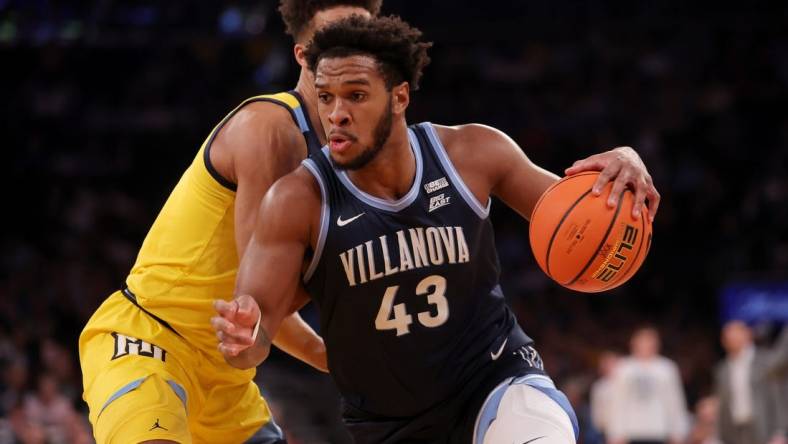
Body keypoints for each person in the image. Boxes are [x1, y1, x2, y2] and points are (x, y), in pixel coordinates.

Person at [212, 15, 660, 443]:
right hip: (387, 423)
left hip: (496, 380)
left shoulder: (472, 154)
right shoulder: (297, 200)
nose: (337, 114)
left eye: (356, 95)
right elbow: (255, 336)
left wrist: (627, 163)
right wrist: (242, 342)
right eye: (326, 97)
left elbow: (578, 215)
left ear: (400, 97)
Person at [78, 1, 382, 443]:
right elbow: (255, 296)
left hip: (225, 374)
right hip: (151, 339)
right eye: (339, 39)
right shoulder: (270, 128)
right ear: (303, 56)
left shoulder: (354, 156)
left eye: (365, 38)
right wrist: (341, 359)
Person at [607, 327, 688, 444]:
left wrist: (678, 432)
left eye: (649, 341)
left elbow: (675, 401)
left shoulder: (667, 368)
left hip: (660, 431)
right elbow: (617, 401)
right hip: (630, 432)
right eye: (642, 341)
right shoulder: (624, 368)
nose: (646, 345)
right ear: (633, 343)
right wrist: (615, 432)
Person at [715, 320, 786, 444]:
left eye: (735, 335)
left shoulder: (765, 362)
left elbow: (777, 397)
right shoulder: (722, 370)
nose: (732, 340)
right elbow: (722, 406)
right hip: (735, 430)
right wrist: (720, 436)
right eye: (727, 337)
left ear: (747, 335)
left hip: (763, 427)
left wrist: (780, 431)